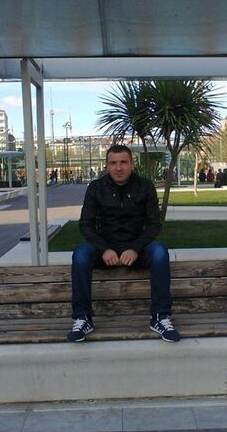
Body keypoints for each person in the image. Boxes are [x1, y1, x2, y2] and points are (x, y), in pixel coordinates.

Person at [67, 144, 180, 343]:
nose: (118, 168)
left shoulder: (145, 187)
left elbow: (154, 224)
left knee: (160, 252)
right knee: (80, 254)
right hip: (105, 250)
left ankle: (160, 316)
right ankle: (82, 318)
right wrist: (104, 249)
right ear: (107, 165)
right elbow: (85, 225)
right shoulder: (96, 188)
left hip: (137, 249)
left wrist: (135, 248)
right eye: (113, 163)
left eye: (123, 162)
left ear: (131, 164)